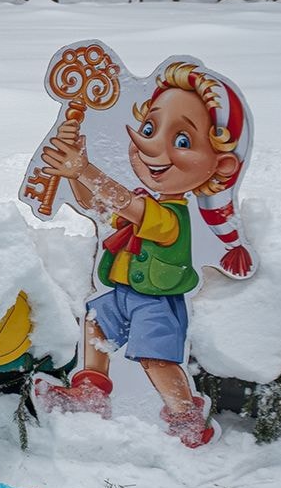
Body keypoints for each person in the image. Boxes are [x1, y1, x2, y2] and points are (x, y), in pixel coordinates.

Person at [35, 61, 253, 447]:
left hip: (156, 303)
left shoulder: (171, 216)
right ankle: (91, 393)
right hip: (124, 294)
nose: (150, 147)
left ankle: (186, 416)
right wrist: (74, 175)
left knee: (158, 361)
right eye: (150, 129)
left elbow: (128, 207)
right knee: (95, 324)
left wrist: (85, 170)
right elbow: (102, 209)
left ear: (220, 165)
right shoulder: (143, 201)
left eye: (182, 141)